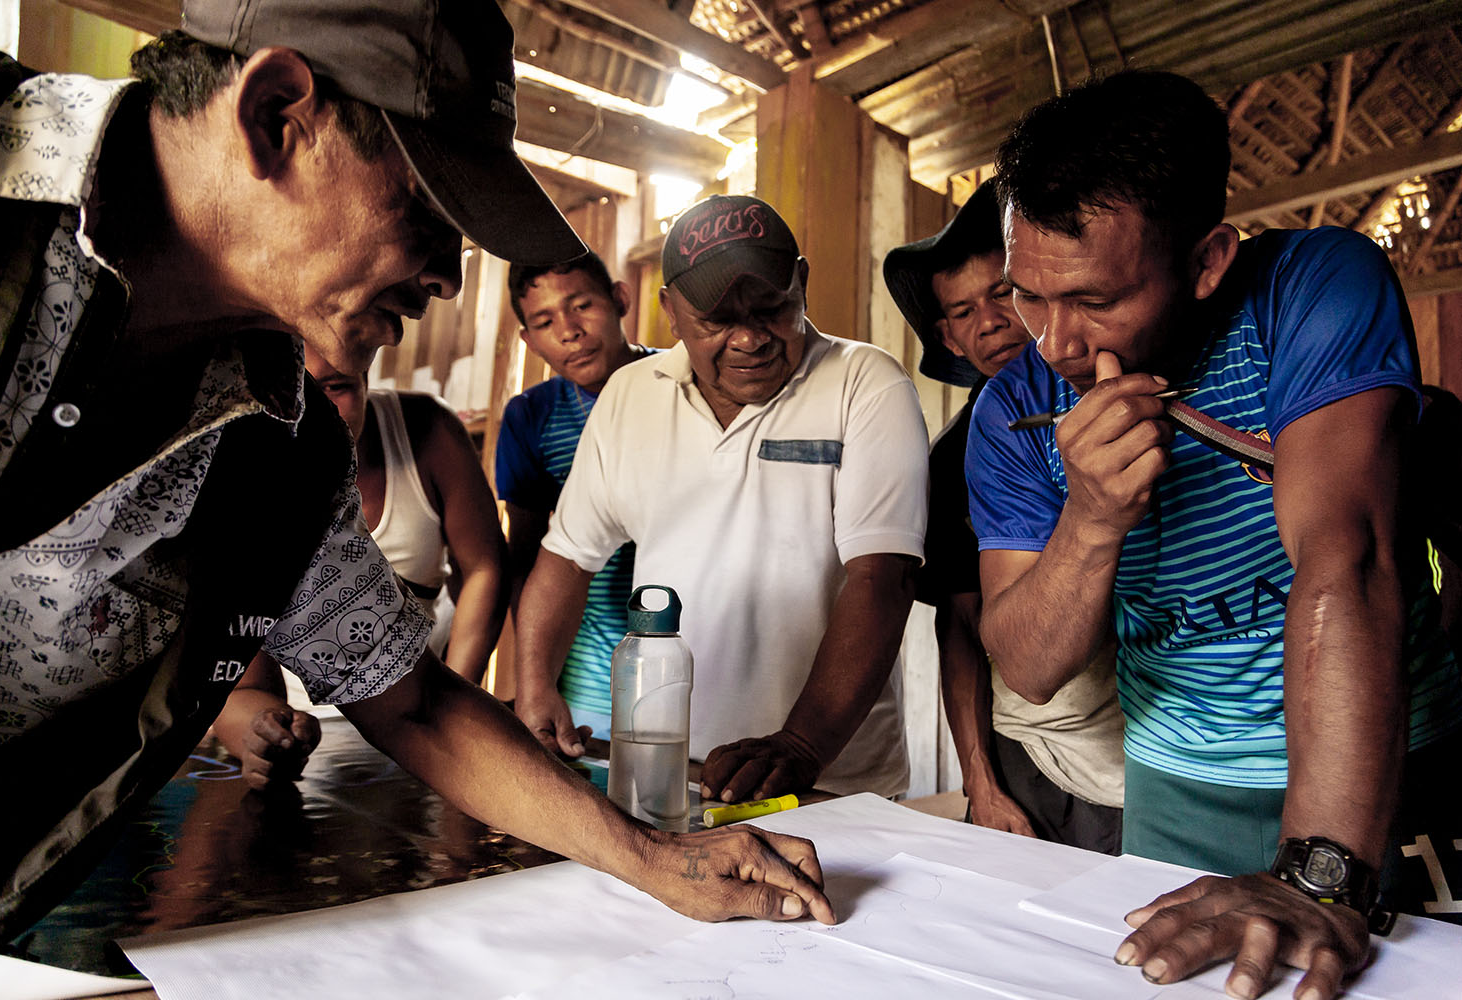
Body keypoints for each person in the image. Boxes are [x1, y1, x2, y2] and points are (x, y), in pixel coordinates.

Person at [0, 0, 833, 953]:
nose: (449, 279)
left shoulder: (277, 449)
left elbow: (410, 701)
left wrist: (654, 859)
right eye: (425, 209)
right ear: (279, 114)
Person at [965, 69, 1462, 1000]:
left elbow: (1348, 559)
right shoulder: (1012, 415)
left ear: (1206, 261)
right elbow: (1027, 666)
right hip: (1179, 791)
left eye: (1099, 301)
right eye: (1029, 296)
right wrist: (1092, 520)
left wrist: (1324, 873)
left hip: (1391, 769)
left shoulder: (1310, 290)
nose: (1055, 343)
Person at [514, 194, 930, 803]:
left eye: (771, 309)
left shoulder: (863, 382)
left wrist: (800, 746)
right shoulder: (631, 396)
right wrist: (534, 685)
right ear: (669, 312)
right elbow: (566, 558)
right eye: (715, 321)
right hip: (666, 768)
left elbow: (882, 579)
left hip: (828, 781)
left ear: (802, 283)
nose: (749, 339)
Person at [883, 178, 1124, 853]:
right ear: (948, 340)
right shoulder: (952, 459)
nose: (988, 320)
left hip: (1161, 740)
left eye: (1000, 294)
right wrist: (980, 784)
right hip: (1040, 747)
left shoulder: (1128, 404)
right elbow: (960, 626)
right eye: (961, 312)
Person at [211, 348, 509, 789]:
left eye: (335, 387)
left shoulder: (425, 429)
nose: (312, 410)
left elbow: (485, 566)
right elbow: (239, 686)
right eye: (291, 390)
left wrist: (449, 714)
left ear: (368, 372)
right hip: (309, 732)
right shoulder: (237, 475)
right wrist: (265, 733)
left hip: (423, 697)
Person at [499, 251, 650, 747]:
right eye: (544, 321)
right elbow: (524, 561)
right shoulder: (531, 418)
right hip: (585, 687)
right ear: (528, 341)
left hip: (689, 671)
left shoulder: (682, 386)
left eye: (582, 305)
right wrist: (534, 683)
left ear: (620, 299)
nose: (569, 331)